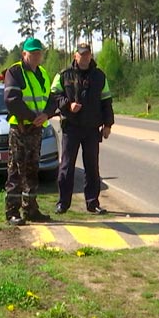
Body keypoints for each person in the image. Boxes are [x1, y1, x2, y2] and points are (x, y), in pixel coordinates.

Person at [50, 42, 114, 215]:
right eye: (82, 54)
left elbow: (106, 101)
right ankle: (63, 203)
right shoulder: (64, 75)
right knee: (66, 166)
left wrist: (108, 124)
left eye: (87, 54)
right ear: (75, 56)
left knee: (92, 167)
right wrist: (67, 105)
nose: (85, 57)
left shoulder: (100, 76)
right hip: (71, 127)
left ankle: (92, 203)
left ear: (91, 56)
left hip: (92, 129)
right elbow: (55, 95)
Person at [3, 37, 59, 226]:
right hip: (20, 128)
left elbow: (52, 98)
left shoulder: (42, 72)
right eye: (32, 53)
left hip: (36, 128)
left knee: (33, 170)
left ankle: (31, 209)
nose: (36, 56)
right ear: (24, 54)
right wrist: (30, 116)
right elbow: (11, 99)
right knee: (16, 171)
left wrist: (47, 114)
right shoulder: (15, 72)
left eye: (38, 52)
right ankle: (12, 211)